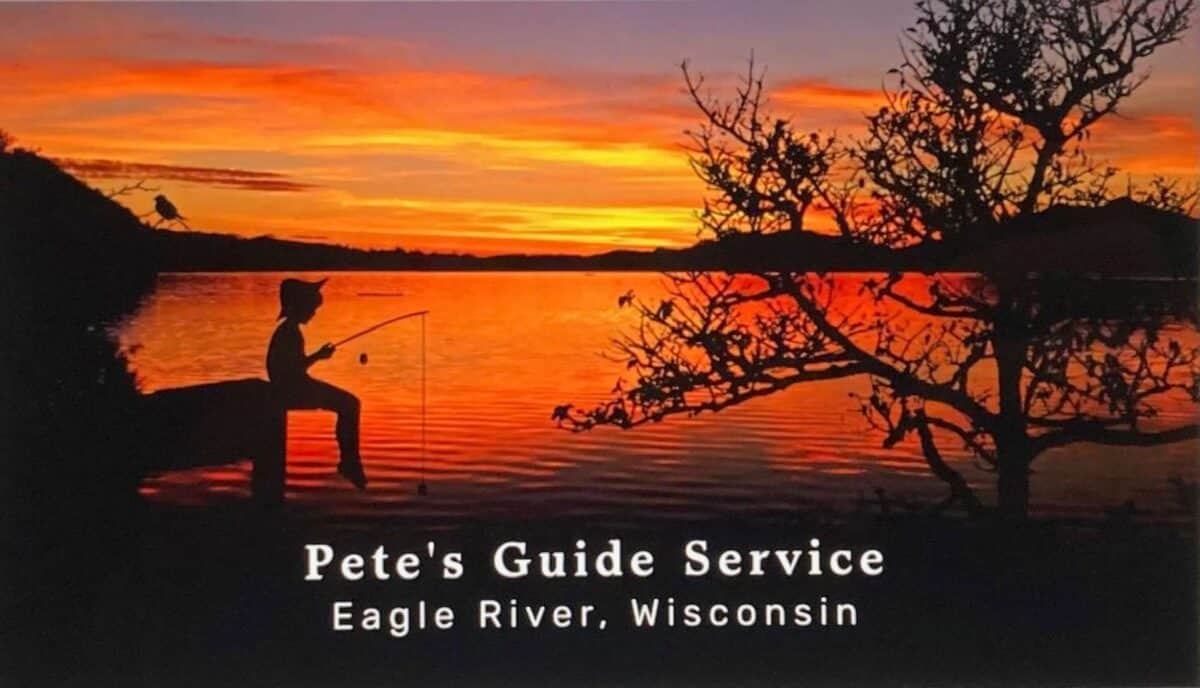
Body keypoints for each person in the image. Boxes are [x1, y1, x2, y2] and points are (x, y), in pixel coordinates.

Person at [266, 278, 367, 490]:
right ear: (300, 306)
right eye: (312, 308)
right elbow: (293, 369)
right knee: (350, 404)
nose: (314, 313)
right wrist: (319, 356)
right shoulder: (289, 333)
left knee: (348, 403)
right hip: (293, 390)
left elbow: (293, 366)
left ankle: (349, 461)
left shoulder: (289, 331)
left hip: (295, 385)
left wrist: (317, 356)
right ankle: (349, 462)